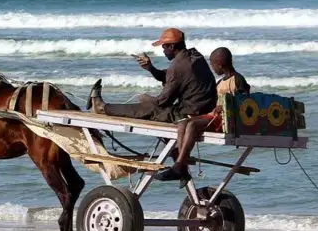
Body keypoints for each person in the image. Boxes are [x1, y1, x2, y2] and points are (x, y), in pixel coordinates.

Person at [154, 47, 250, 182]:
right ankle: (181, 166)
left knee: (192, 125)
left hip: (227, 120)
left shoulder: (237, 79)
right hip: (214, 116)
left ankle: (179, 166)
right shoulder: (220, 82)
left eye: (213, 65)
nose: (212, 68)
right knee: (183, 122)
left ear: (220, 64)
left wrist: (224, 106)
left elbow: (246, 103)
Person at [89, 28, 217, 124]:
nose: (163, 51)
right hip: (204, 109)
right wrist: (150, 68)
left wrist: (147, 98)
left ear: (172, 46)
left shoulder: (178, 66)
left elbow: (162, 102)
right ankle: (175, 152)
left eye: (164, 47)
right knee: (153, 107)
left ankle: (102, 107)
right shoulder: (195, 56)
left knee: (148, 108)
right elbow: (172, 77)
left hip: (190, 115)